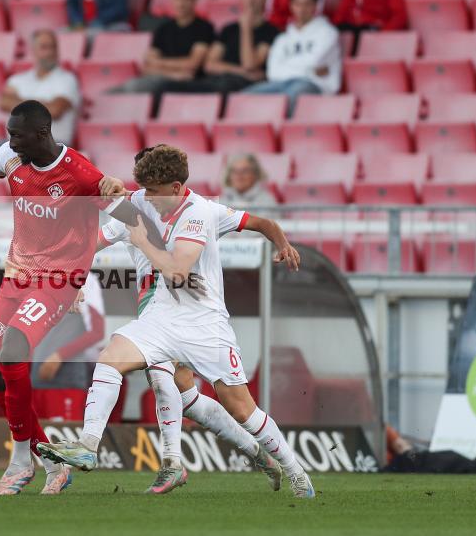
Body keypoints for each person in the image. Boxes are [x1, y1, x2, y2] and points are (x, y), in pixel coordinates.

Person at [38, 144, 317, 498]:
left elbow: (177, 268)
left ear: (175, 187)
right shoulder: (141, 202)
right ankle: (89, 445)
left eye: (153, 191)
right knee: (110, 360)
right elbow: (93, 238)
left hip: (204, 324)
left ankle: (294, 471)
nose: (145, 198)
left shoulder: (199, 212)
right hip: (160, 317)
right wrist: (72, 277)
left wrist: (141, 240)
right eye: (143, 189)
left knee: (242, 409)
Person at [0, 99, 174, 496]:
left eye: (16, 134)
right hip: (16, 275)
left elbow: (129, 213)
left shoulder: (78, 173)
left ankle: (20, 462)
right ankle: (51, 462)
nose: (9, 141)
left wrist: (162, 250)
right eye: (9, 134)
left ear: (42, 133)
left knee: (13, 352)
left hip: (59, 280)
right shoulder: (12, 156)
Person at [161, 0, 279, 97]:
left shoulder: (271, 31)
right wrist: (240, 71)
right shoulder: (228, 29)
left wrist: (246, 29)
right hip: (217, 81)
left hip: (242, 86)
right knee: (172, 87)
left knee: (220, 86)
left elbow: (250, 65)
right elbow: (209, 65)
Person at [243, 0, 341, 114]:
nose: (302, 9)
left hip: (316, 85)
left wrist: (290, 66)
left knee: (291, 94)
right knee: (244, 97)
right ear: (291, 5)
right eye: (298, 4)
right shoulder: (282, 38)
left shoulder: (328, 33)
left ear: (315, 5)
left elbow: (314, 61)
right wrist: (310, 71)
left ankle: (282, 132)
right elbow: (273, 72)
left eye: (307, 4)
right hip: (282, 84)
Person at [110, 0, 214, 98]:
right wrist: (174, 73)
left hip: (184, 85)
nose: (180, 3)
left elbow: (192, 65)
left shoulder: (204, 28)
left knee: (132, 87)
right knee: (109, 94)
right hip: (164, 79)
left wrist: (159, 64)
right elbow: (147, 67)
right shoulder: (163, 29)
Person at [0, 30, 81, 145]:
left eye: (53, 47)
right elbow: (4, 102)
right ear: (33, 50)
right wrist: (42, 105)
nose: (50, 52)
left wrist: (19, 104)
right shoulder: (17, 79)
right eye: (44, 47)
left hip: (52, 145)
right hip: (16, 144)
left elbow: (54, 110)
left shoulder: (68, 79)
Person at [30, 272, 105, 392]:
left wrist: (58, 356)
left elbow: (97, 332)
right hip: (36, 375)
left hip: (67, 375)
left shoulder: (86, 279)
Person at [333, 0, 407, 53]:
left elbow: (399, 16)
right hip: (351, 27)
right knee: (333, 34)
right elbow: (342, 10)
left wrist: (381, 35)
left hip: (372, 29)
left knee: (360, 36)